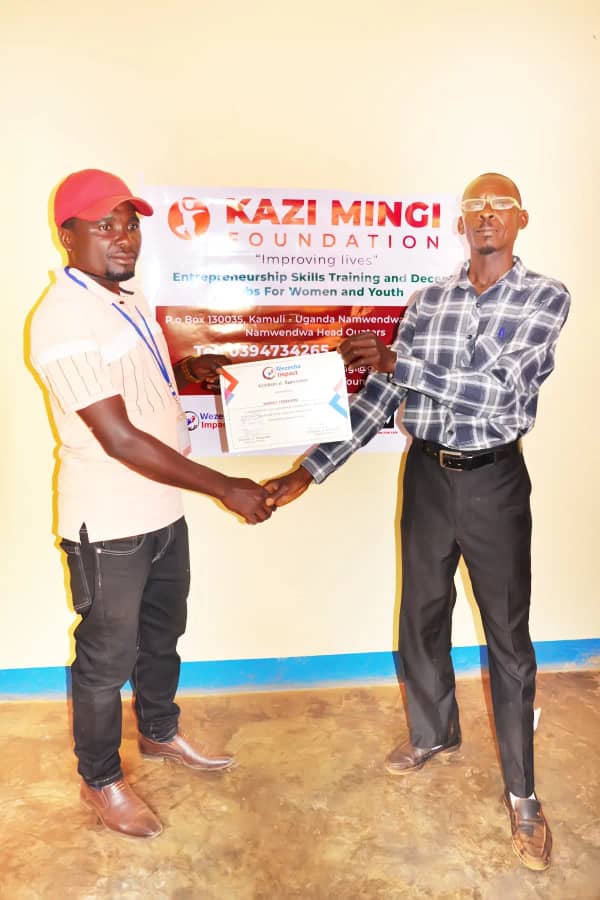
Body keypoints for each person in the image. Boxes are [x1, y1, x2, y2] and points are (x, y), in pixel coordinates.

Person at [264, 173, 570, 871]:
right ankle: (434, 733)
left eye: (500, 206)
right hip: (427, 475)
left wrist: (401, 361)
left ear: (520, 219)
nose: (486, 216)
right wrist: (307, 472)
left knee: (508, 637)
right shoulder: (428, 301)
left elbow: (501, 391)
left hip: (493, 480)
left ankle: (523, 794)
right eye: (474, 207)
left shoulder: (544, 296)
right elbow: (381, 395)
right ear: (460, 223)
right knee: (422, 614)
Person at [29, 168, 274, 839]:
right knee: (106, 659)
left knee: (164, 634)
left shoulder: (126, 296)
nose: (123, 237)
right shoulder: (63, 318)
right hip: (109, 522)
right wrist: (225, 486)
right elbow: (117, 437)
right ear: (67, 235)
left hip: (164, 512)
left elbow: (136, 386)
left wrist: (187, 374)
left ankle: (160, 732)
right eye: (104, 225)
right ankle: (101, 779)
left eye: (130, 223)